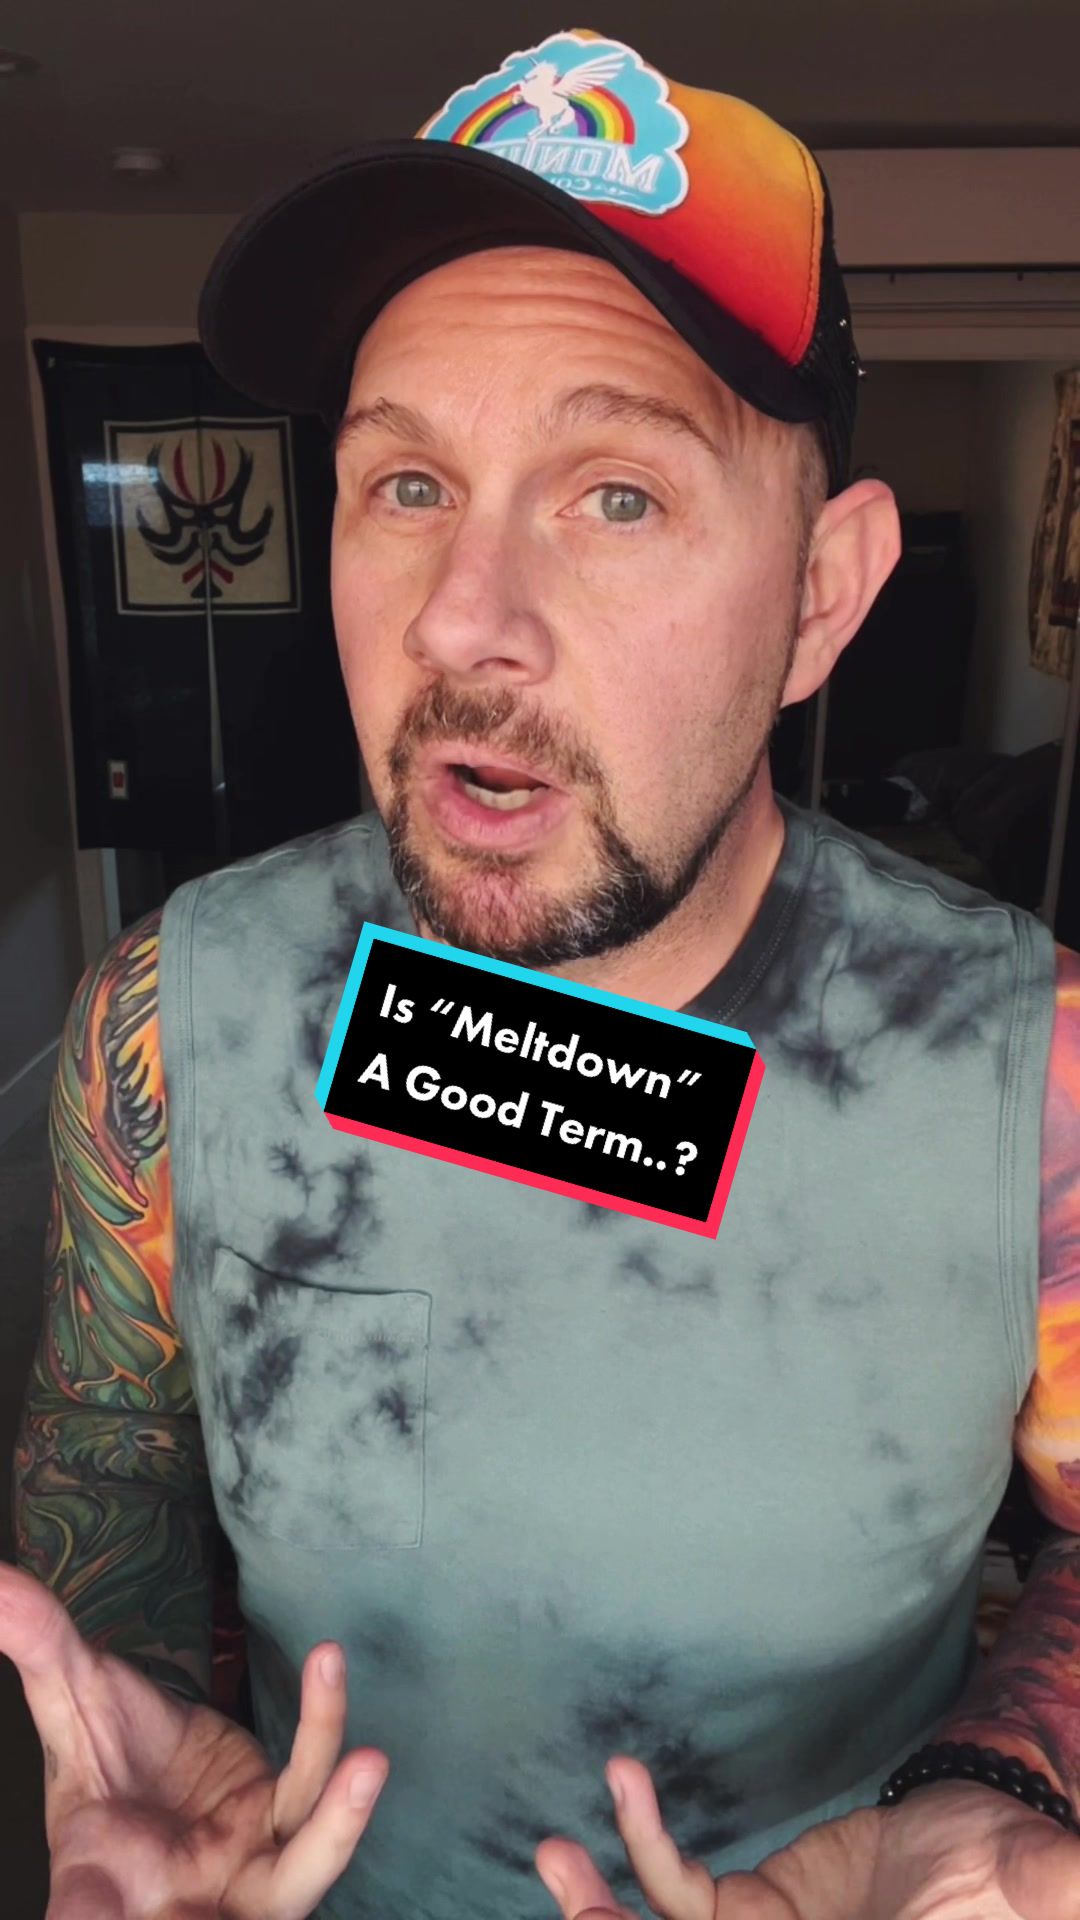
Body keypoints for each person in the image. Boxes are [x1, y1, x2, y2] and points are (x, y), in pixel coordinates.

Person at [6, 25, 1080, 1920]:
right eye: (406, 485)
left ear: (821, 595)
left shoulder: (1033, 1072)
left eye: (616, 496)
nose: (461, 622)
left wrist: (997, 1776)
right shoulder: (178, 1016)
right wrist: (150, 1710)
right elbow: (115, 1434)